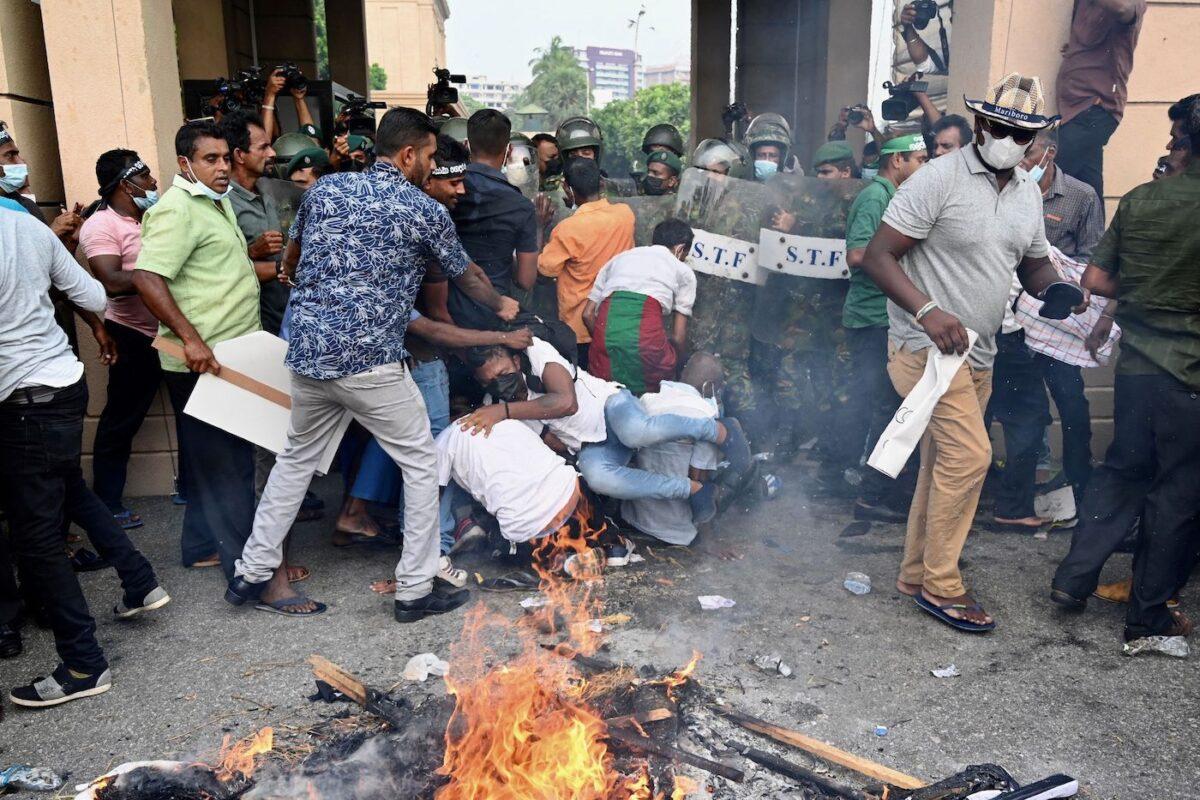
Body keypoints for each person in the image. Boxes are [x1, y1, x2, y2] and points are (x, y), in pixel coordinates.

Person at [225, 107, 519, 622]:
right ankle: (413, 589)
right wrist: (501, 306)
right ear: (408, 154)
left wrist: (298, 279)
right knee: (423, 464)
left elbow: (291, 257)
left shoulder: (325, 190)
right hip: (370, 363)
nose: (431, 165)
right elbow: (467, 274)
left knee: (295, 462)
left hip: (310, 356)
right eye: (428, 156)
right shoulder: (422, 209)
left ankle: (251, 571)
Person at [860, 73, 1087, 633]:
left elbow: (1031, 262)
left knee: (943, 464)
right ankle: (942, 584)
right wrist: (927, 312)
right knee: (970, 459)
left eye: (1024, 132)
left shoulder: (1027, 192)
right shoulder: (938, 178)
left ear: (1037, 139)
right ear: (982, 124)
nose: (1012, 139)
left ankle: (915, 572)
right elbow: (878, 256)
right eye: (1003, 127)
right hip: (925, 349)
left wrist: (1052, 288)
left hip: (978, 354)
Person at [1, 209, 168, 707]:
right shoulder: (24, 224)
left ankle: (83, 664)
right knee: (70, 488)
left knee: (36, 538)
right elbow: (95, 296)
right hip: (62, 384)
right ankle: (139, 581)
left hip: (22, 398)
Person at [1050, 105, 1200, 656]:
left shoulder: (1141, 200)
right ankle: (1149, 617)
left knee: (1120, 474)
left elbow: (1096, 277)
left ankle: (1072, 578)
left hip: (1137, 369)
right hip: (1191, 378)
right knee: (1176, 494)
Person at [132, 120, 263, 577]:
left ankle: (201, 545)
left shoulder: (213, 201)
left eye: (227, 157)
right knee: (229, 468)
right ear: (185, 163)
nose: (223, 167)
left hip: (229, 357)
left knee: (214, 462)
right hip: (204, 363)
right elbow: (147, 277)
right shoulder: (177, 209)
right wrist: (190, 338)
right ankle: (249, 571)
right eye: (211, 159)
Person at [462, 337, 752, 524]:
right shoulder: (496, 405)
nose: (499, 384)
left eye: (502, 374)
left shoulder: (536, 354)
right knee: (598, 477)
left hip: (610, 406)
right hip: (592, 445)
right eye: (490, 382)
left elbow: (567, 402)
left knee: (634, 432)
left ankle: (720, 430)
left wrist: (505, 410)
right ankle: (695, 491)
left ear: (514, 361)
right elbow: (554, 444)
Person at [839, 133, 928, 522]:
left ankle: (878, 492)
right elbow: (858, 254)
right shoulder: (876, 197)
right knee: (888, 407)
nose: (924, 167)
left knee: (892, 407)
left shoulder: (892, 196)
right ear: (897, 161)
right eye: (920, 159)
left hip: (886, 317)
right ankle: (871, 497)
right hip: (873, 317)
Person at [79, 151, 166, 529]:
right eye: (145, 175)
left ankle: (193, 489)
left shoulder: (152, 217)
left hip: (171, 333)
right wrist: (165, 273)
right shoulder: (100, 225)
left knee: (194, 412)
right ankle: (108, 504)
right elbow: (112, 283)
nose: (153, 182)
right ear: (124, 183)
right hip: (132, 335)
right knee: (121, 420)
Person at [621, 353, 726, 547]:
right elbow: (699, 481)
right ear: (709, 386)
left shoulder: (646, 401)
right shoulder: (705, 414)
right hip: (678, 531)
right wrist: (709, 541)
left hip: (636, 518)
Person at [447, 110, 538, 331]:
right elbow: (526, 280)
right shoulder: (521, 206)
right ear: (508, 151)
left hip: (446, 308)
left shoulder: (447, 190)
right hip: (494, 312)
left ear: (466, 146)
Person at [582, 218, 697, 394]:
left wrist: (607, 341)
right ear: (680, 249)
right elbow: (678, 337)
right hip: (646, 341)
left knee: (604, 392)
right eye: (685, 255)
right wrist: (675, 367)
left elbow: (587, 314)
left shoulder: (619, 259)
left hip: (606, 333)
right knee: (652, 389)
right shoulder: (684, 272)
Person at [538, 158, 635, 364]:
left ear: (566, 188)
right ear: (601, 183)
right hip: (615, 322)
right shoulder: (625, 215)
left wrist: (539, 226)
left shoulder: (567, 229)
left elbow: (542, 273)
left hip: (579, 329)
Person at [1054, 0, 1147, 200]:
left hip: (1094, 111)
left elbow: (1124, 8)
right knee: (1089, 189)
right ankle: (1096, 232)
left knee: (1048, 180)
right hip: (1075, 111)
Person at [743, 113, 793, 181]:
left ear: (782, 158)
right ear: (753, 156)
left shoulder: (791, 188)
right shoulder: (739, 184)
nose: (767, 160)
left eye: (773, 155)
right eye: (761, 155)